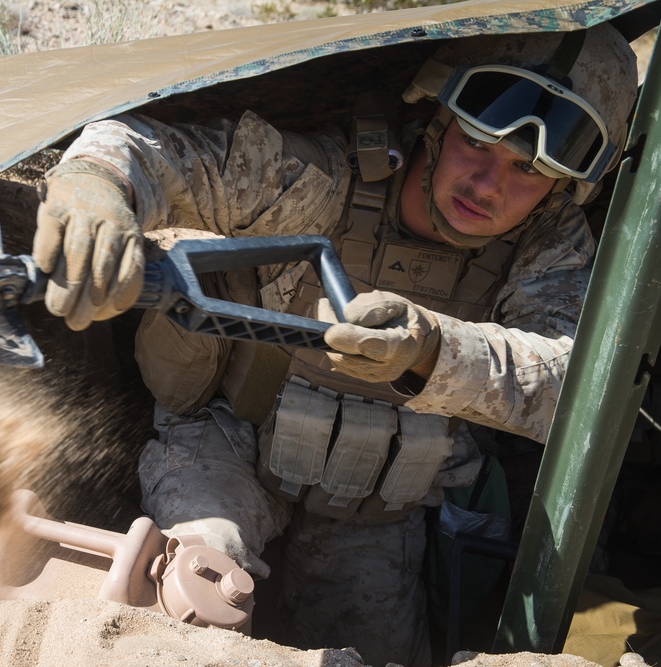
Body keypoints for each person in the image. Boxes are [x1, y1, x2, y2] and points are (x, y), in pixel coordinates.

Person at [31, 24, 639, 667]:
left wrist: (435, 350)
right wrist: (96, 187)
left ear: (561, 190)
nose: (488, 185)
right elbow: (158, 153)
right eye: (476, 142)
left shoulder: (548, 248)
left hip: (377, 501)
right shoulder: (319, 180)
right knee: (187, 593)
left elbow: (574, 390)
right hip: (230, 446)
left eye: (528, 171)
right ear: (436, 118)